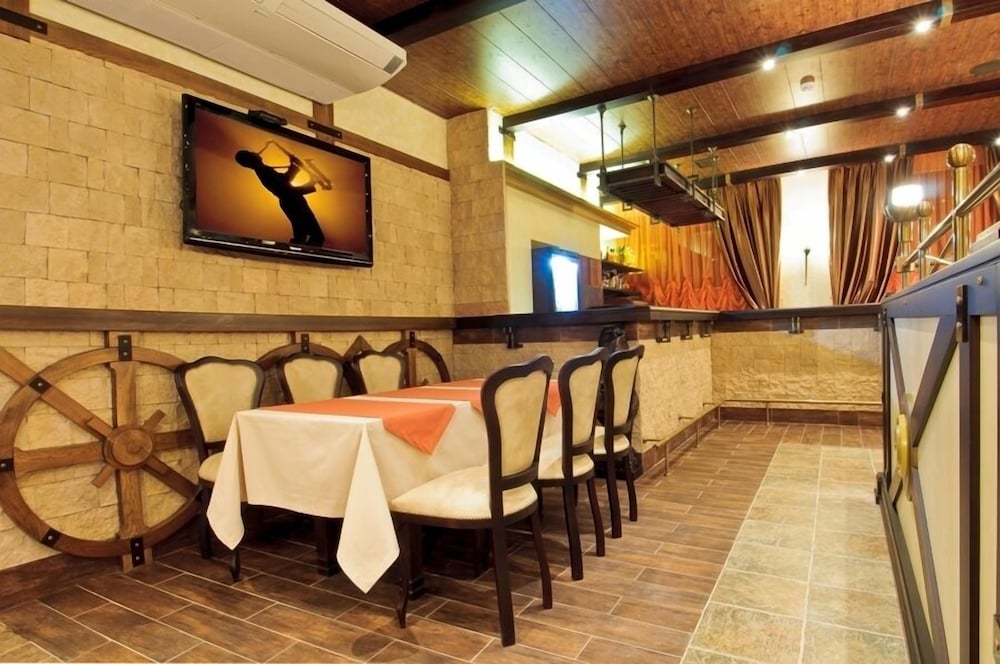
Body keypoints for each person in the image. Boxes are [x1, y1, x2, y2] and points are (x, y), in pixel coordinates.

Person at [235, 150, 327, 246]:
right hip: (294, 203)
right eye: (252, 153)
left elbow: (284, 181)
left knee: (301, 236)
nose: (256, 153)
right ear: (250, 160)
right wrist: (310, 183)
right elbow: (286, 187)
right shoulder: (264, 171)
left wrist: (295, 167)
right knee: (316, 237)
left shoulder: (263, 170)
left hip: (291, 203)